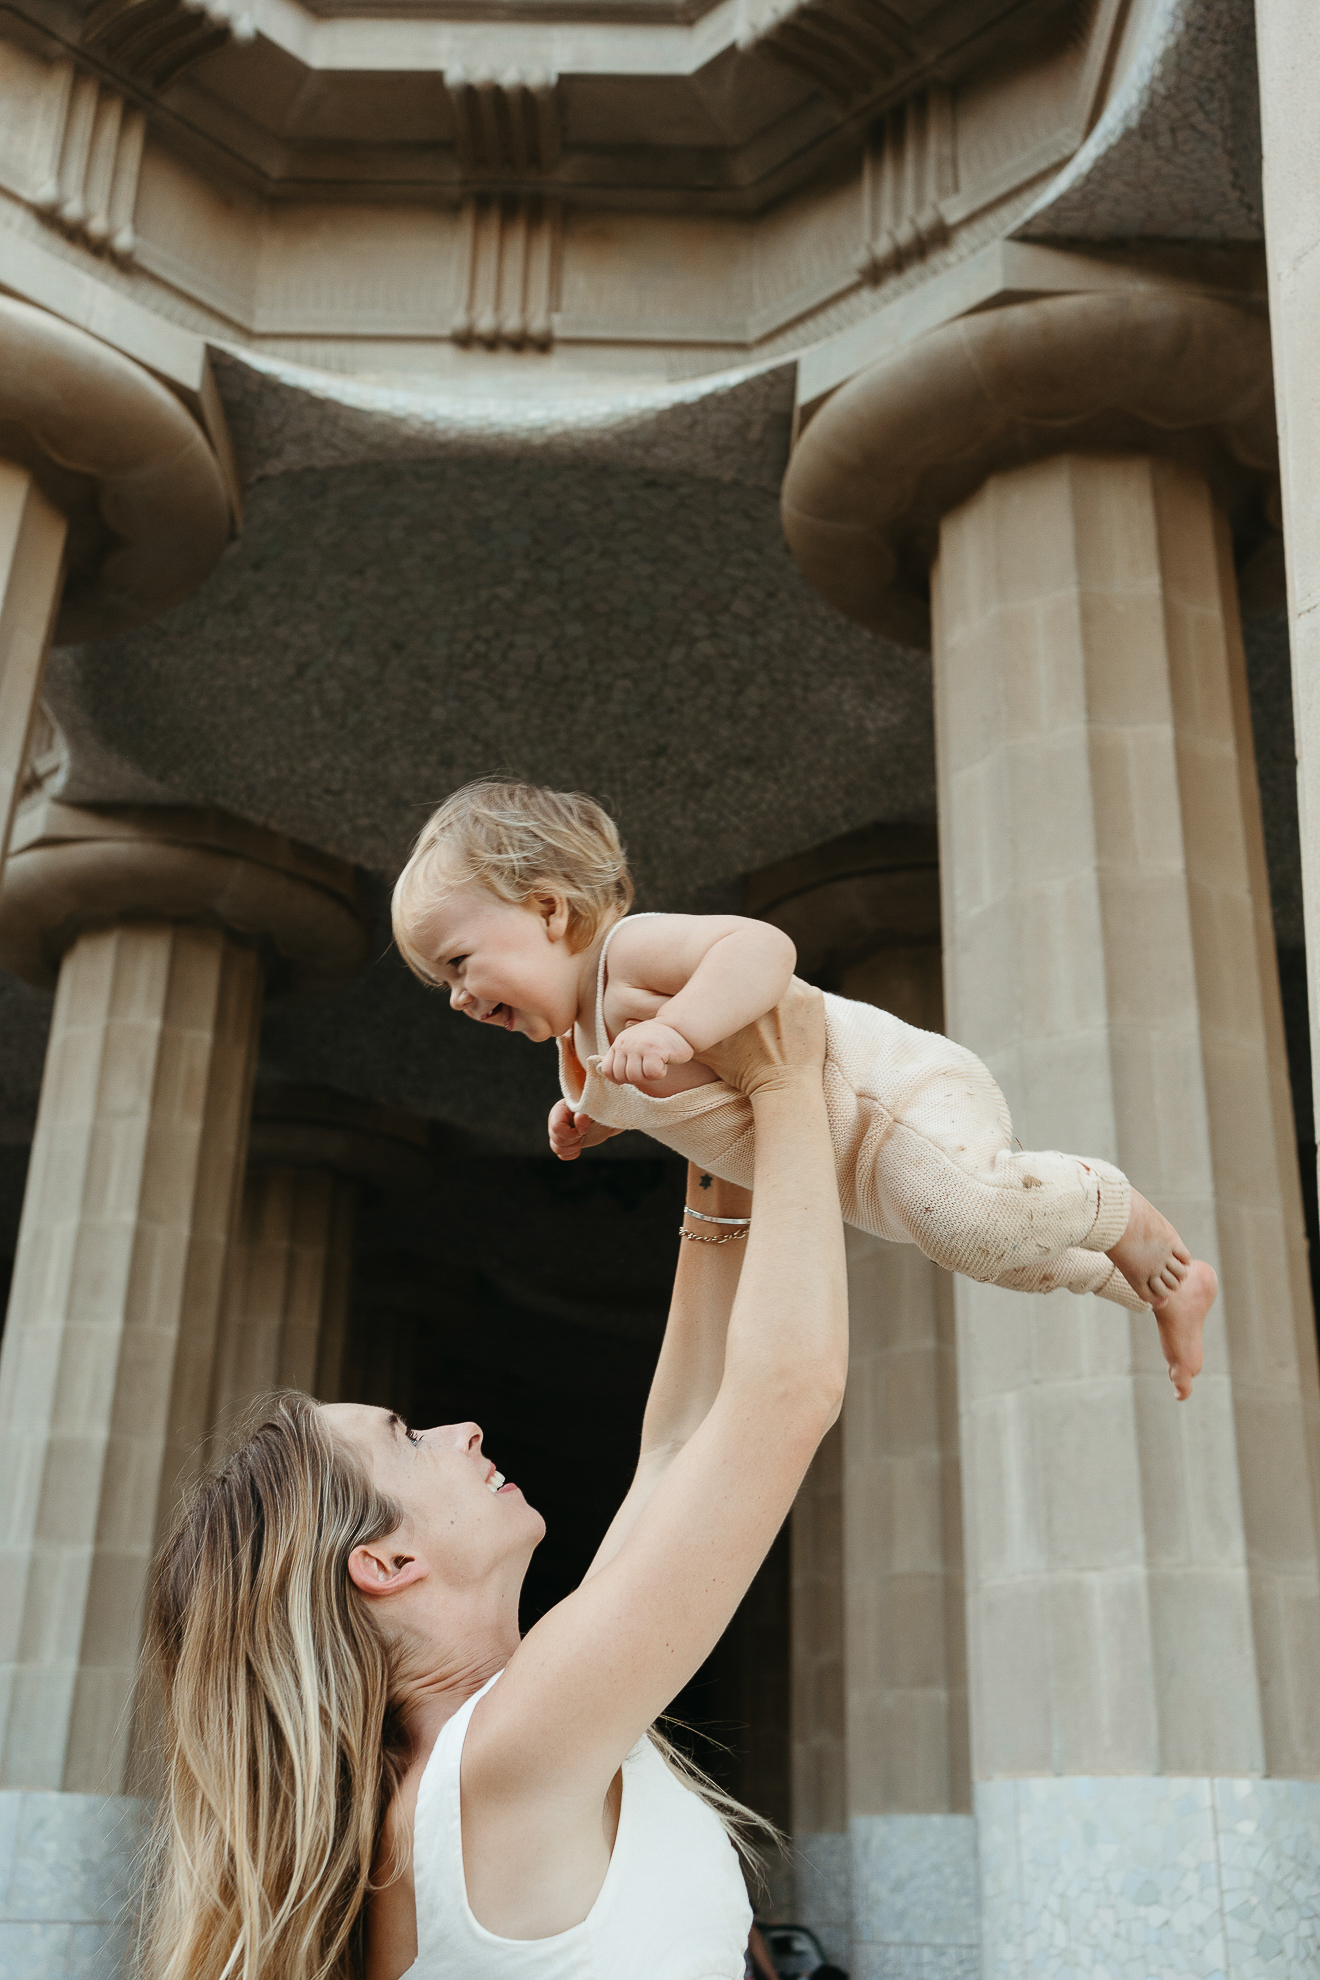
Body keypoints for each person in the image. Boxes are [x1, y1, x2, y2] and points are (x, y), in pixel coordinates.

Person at [138, 983, 847, 1980]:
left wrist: (706, 1146)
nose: (461, 1428)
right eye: (406, 1436)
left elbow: (678, 1446)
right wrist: (784, 1075)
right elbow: (787, 1395)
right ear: (383, 1561)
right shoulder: (503, 1755)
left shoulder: (472, 1761)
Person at [390, 779, 1217, 1399]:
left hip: (892, 1100)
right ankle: (1153, 1285)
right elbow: (663, 1098)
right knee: (990, 1253)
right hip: (849, 1170)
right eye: (441, 986)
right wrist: (593, 1124)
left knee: (975, 1214)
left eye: (459, 963)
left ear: (549, 909)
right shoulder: (579, 1041)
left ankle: (1121, 1208)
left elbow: (761, 949)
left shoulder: (631, 955)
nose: (459, 997)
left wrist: (679, 1028)